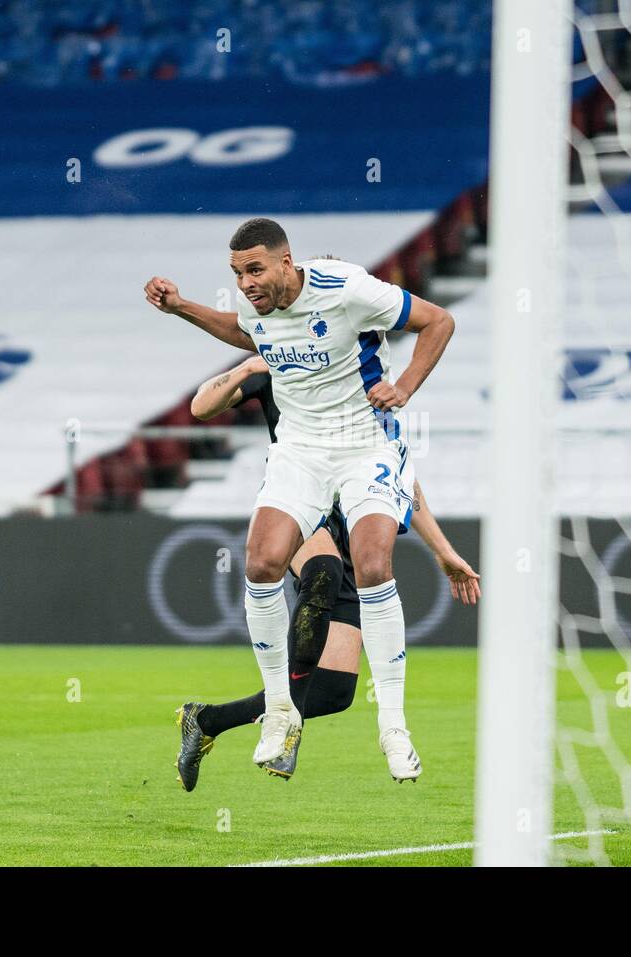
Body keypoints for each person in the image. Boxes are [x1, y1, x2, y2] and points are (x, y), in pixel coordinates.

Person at [144, 218, 455, 781]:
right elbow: (244, 334)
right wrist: (182, 307)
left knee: (370, 571)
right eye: (237, 273)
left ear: (289, 261)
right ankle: (279, 713)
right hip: (301, 452)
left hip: (364, 445)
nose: (245, 283)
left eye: (255, 269)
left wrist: (405, 385)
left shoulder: (347, 290)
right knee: (261, 562)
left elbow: (439, 320)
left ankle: (393, 726)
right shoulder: (259, 316)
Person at [173, 354, 480, 789]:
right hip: (296, 505)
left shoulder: (368, 380)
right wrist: (247, 367)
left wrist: (444, 552)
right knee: (323, 569)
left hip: (355, 520)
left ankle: (205, 720)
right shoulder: (284, 358)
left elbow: (401, 477)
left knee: (334, 691)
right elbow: (201, 407)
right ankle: (286, 726)